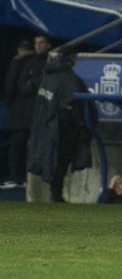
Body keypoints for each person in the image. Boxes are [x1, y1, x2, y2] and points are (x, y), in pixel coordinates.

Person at [27, 46, 95, 203]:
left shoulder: (48, 75)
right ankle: (56, 193)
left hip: (45, 124)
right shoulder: (70, 78)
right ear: (70, 58)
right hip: (63, 126)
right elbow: (82, 104)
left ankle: (55, 192)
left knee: (51, 158)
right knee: (60, 159)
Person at [1, 39, 36, 189]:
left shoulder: (16, 63)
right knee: (31, 145)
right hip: (33, 112)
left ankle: (16, 177)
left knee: (17, 146)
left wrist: (11, 103)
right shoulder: (39, 61)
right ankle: (30, 177)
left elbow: (10, 87)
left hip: (19, 112)